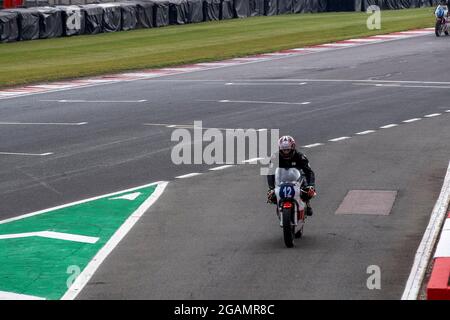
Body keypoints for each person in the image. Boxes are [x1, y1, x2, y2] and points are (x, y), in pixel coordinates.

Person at [267, 135, 316, 216]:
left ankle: (307, 203)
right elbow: (270, 173)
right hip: (281, 179)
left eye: (288, 150)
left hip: (298, 179)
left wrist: (311, 185)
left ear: (293, 148)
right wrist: (271, 188)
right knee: (272, 196)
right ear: (279, 149)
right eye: (284, 150)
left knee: (308, 191)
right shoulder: (275, 157)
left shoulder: (300, 156)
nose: (286, 152)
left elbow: (309, 172)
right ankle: (279, 206)